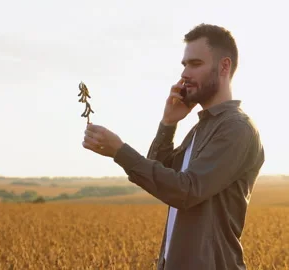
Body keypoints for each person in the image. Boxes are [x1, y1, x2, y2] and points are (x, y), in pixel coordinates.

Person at [82, 23, 265, 270]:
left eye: (195, 64)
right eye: (184, 65)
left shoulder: (236, 128)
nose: (185, 74)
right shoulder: (201, 128)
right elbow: (163, 179)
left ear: (224, 66)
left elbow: (185, 191)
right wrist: (168, 123)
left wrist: (119, 151)